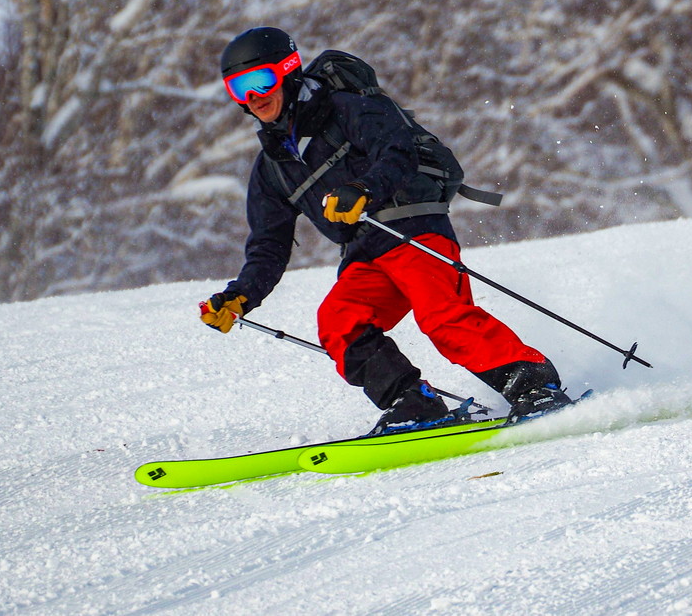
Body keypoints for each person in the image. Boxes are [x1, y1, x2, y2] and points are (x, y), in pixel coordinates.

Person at [200, 26, 566, 433]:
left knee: (442, 317)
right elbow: (268, 244)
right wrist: (241, 296)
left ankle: (534, 388)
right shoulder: (272, 167)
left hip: (411, 229)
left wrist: (364, 189)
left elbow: (397, 149)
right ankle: (413, 403)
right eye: (238, 88)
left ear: (287, 70)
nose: (254, 96)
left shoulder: (345, 108)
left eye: (261, 80)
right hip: (364, 253)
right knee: (339, 322)